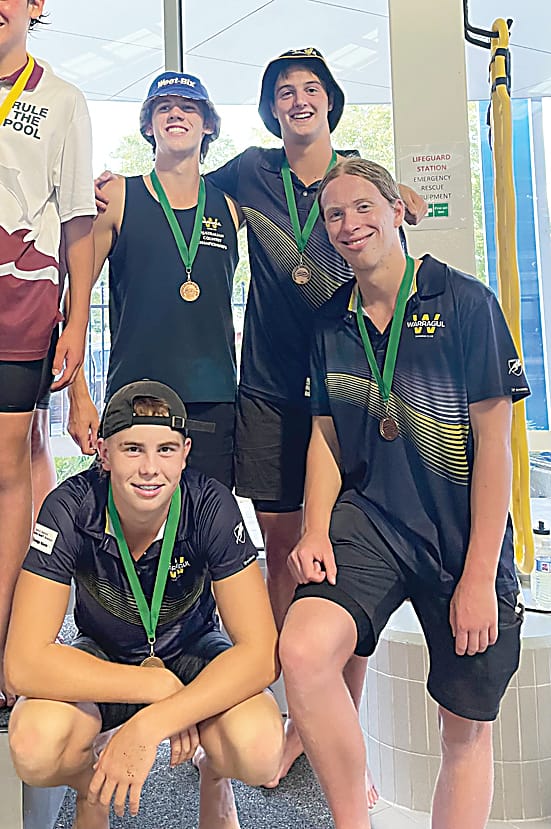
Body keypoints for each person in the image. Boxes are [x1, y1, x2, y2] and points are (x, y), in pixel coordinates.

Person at [93, 48, 426, 786]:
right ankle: (291, 709)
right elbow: (176, 190)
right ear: (269, 109)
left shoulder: (353, 176)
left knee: (352, 555)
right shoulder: (246, 172)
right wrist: (113, 189)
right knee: (280, 551)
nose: (297, 100)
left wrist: (402, 194)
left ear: (329, 102)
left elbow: (392, 201)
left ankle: (335, 719)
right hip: (272, 388)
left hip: (354, 386)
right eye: (283, 92)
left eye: (309, 89)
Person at [279, 157, 529, 828]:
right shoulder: (332, 322)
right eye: (334, 214)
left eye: (362, 206)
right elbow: (326, 437)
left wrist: (478, 573)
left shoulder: (463, 302)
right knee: (301, 651)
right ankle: (350, 819)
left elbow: (494, 449)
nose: (348, 223)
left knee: (462, 730)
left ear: (397, 210)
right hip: (372, 523)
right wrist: (311, 529)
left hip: (457, 536)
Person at [6, 379, 283, 829]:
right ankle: (90, 788)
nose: (150, 468)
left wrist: (154, 721)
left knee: (260, 747)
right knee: (35, 744)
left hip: (192, 652)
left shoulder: (209, 505)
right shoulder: (70, 509)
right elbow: (22, 663)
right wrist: (154, 687)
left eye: (166, 449)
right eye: (133, 448)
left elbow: (260, 654)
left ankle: (213, 776)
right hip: (107, 656)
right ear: (104, 450)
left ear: (186, 451)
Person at [68, 71, 240, 489]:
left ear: (209, 124)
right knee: (134, 532)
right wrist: (78, 396)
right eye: (164, 108)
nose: (175, 114)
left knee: (205, 529)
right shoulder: (116, 198)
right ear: (148, 125)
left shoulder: (232, 208)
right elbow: (74, 301)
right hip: (135, 394)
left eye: (188, 107)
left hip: (213, 399)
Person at [0, 0, 95, 705]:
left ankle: (8, 641)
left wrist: (78, 320)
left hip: (20, 303)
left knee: (9, 469)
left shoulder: (61, 100)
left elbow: (78, 218)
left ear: (34, 7)